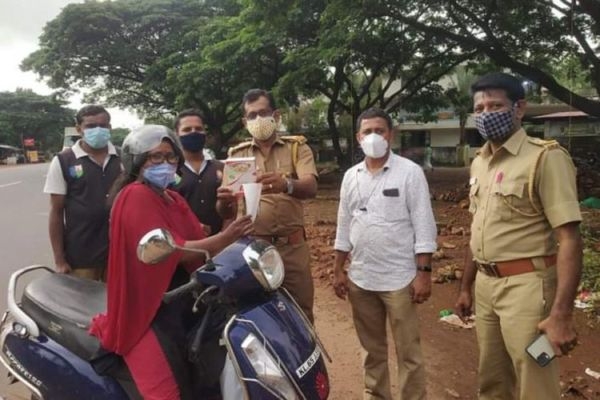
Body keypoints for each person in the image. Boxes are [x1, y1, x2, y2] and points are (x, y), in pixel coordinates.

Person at [89, 125, 253, 400]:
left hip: (182, 297)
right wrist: (227, 237)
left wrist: (228, 219)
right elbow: (176, 250)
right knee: (166, 394)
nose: (165, 163)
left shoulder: (171, 197)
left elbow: (198, 239)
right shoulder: (134, 195)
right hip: (147, 307)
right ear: (137, 162)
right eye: (155, 157)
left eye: (170, 156)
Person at [454, 72, 583, 400]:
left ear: (519, 108)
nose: (486, 114)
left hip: (529, 290)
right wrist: (466, 287)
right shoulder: (480, 162)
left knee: (535, 378)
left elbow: (569, 238)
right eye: (479, 108)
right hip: (486, 287)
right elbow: (478, 228)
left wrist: (561, 314)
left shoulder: (545, 157)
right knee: (492, 380)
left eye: (495, 105)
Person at [333, 107, 437, 400]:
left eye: (379, 130)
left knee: (409, 352)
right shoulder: (350, 177)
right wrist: (338, 269)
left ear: (390, 135)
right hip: (361, 278)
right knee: (371, 350)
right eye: (367, 131)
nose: (373, 136)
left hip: (400, 280)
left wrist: (423, 273)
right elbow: (344, 225)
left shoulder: (410, 173)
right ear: (358, 137)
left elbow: (424, 225)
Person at [218, 88, 318, 322]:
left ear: (276, 115)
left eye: (263, 113)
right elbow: (226, 212)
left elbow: (311, 187)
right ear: (244, 122)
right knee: (258, 313)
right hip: (254, 248)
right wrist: (224, 201)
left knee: (301, 313)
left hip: (292, 248)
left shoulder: (297, 148)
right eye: (252, 115)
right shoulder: (237, 156)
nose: (258, 119)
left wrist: (286, 184)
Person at [43, 105, 121, 281]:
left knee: (115, 298)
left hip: (118, 254)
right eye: (91, 126)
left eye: (102, 125)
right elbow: (56, 212)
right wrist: (59, 260)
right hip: (81, 256)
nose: (98, 130)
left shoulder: (123, 158)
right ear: (79, 129)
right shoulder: (63, 161)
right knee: (82, 299)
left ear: (109, 127)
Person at [172, 109, 227, 236]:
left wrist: (224, 236)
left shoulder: (222, 168)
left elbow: (233, 207)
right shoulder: (169, 171)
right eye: (187, 129)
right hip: (185, 242)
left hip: (223, 241)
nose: (193, 132)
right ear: (176, 134)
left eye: (198, 129)